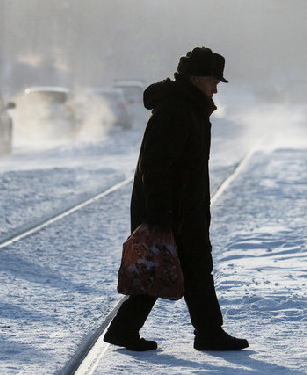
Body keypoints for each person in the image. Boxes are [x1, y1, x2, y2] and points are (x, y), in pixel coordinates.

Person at [104, 47, 249, 352]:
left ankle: (131, 329)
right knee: (177, 265)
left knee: (182, 266)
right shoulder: (176, 112)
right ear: (196, 79)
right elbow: (156, 165)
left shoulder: (189, 108)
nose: (216, 88)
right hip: (173, 210)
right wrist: (160, 215)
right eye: (213, 81)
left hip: (182, 208)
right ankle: (207, 332)